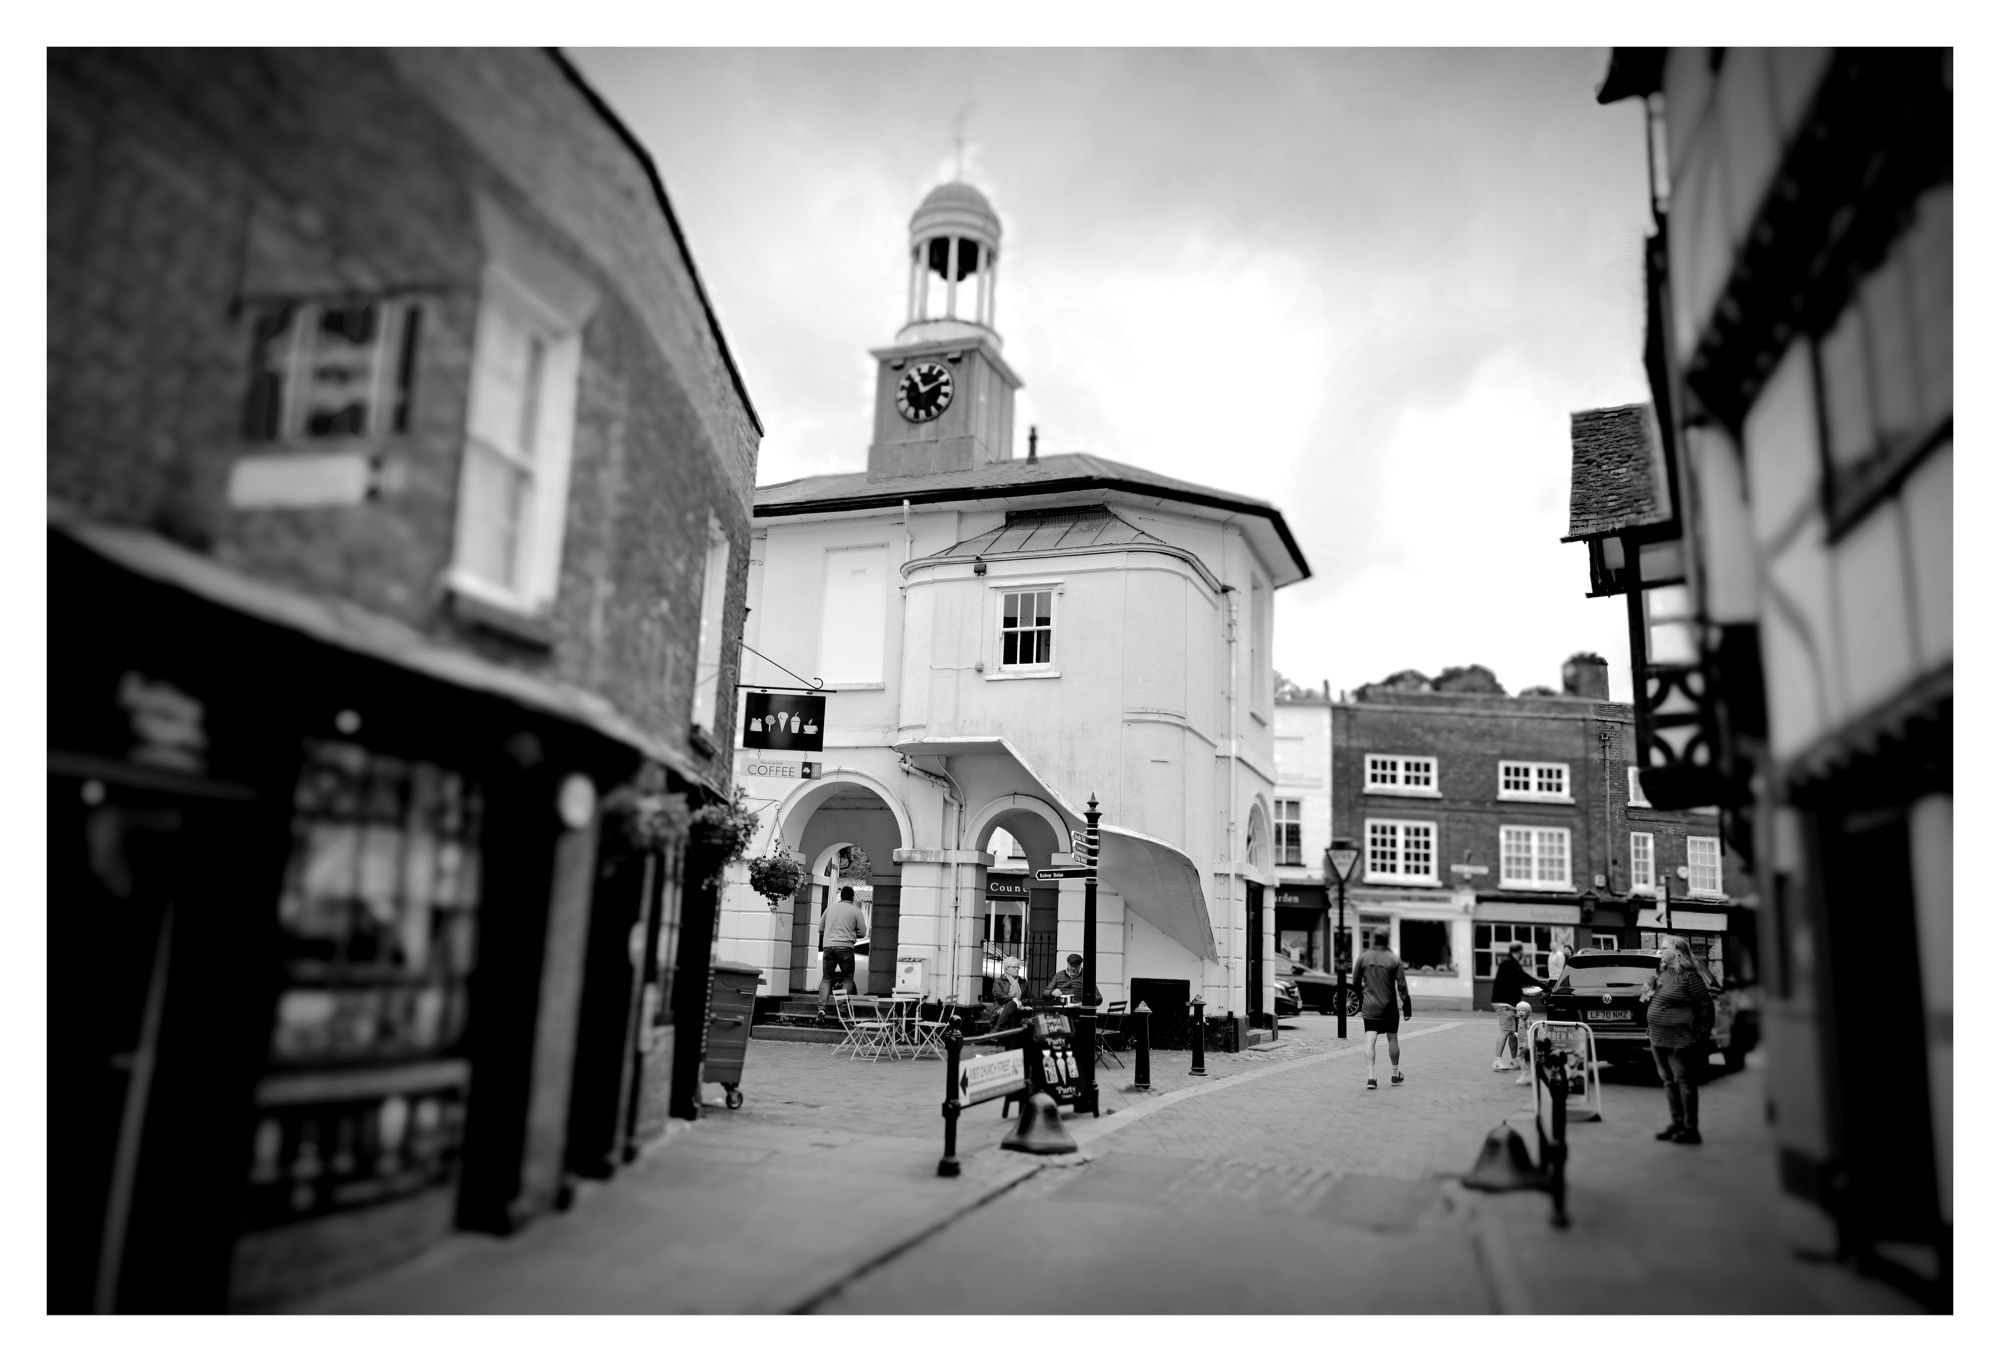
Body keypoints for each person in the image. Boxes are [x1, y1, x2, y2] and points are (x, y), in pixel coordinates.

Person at [1643, 935, 1716, 1144]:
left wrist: (1701, 1035)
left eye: (1663, 947)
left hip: (1680, 1040)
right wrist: (1648, 987)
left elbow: (1706, 1007)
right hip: (1657, 1037)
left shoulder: (1689, 976)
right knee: (1668, 1082)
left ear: (1677, 951)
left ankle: (1691, 1129)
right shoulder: (1662, 972)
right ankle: (1677, 1123)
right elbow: (1648, 997)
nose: (1659, 951)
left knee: (1684, 1081)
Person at [1353, 930, 1412, 1090]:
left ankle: (1371, 1078)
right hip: (1389, 1007)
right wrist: (1407, 1005)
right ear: (1386, 940)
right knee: (1392, 1039)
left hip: (1370, 1006)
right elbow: (1401, 985)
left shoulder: (1363, 957)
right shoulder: (1393, 959)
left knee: (1370, 1040)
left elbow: (1356, 982)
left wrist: (1361, 999)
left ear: (1374, 939)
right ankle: (1395, 1074)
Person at [815, 886, 870, 1022]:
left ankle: (821, 1008)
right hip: (846, 948)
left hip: (828, 947)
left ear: (841, 896)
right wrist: (851, 932)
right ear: (852, 897)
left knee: (827, 978)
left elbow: (820, 929)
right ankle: (843, 1010)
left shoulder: (830, 909)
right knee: (847, 978)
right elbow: (862, 933)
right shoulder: (855, 911)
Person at [1489, 943, 1537, 1071]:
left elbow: (1512, 984)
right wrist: (1540, 985)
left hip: (1511, 1004)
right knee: (1505, 1031)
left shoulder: (1511, 964)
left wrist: (1524, 992)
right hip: (1504, 1004)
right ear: (1520, 951)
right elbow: (1523, 977)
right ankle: (1497, 1061)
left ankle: (1514, 1060)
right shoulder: (1509, 963)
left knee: (1513, 1034)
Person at [980, 956, 1027, 1033]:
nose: (1017, 969)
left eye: (1018, 967)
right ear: (1006, 969)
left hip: (1020, 1008)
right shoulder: (998, 981)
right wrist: (1014, 1000)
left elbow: (1030, 998)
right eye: (1014, 967)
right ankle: (1008, 1039)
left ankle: (997, 1029)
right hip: (1000, 1008)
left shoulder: (1023, 982)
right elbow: (999, 995)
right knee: (1012, 1007)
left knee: (1014, 1009)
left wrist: (1019, 1002)